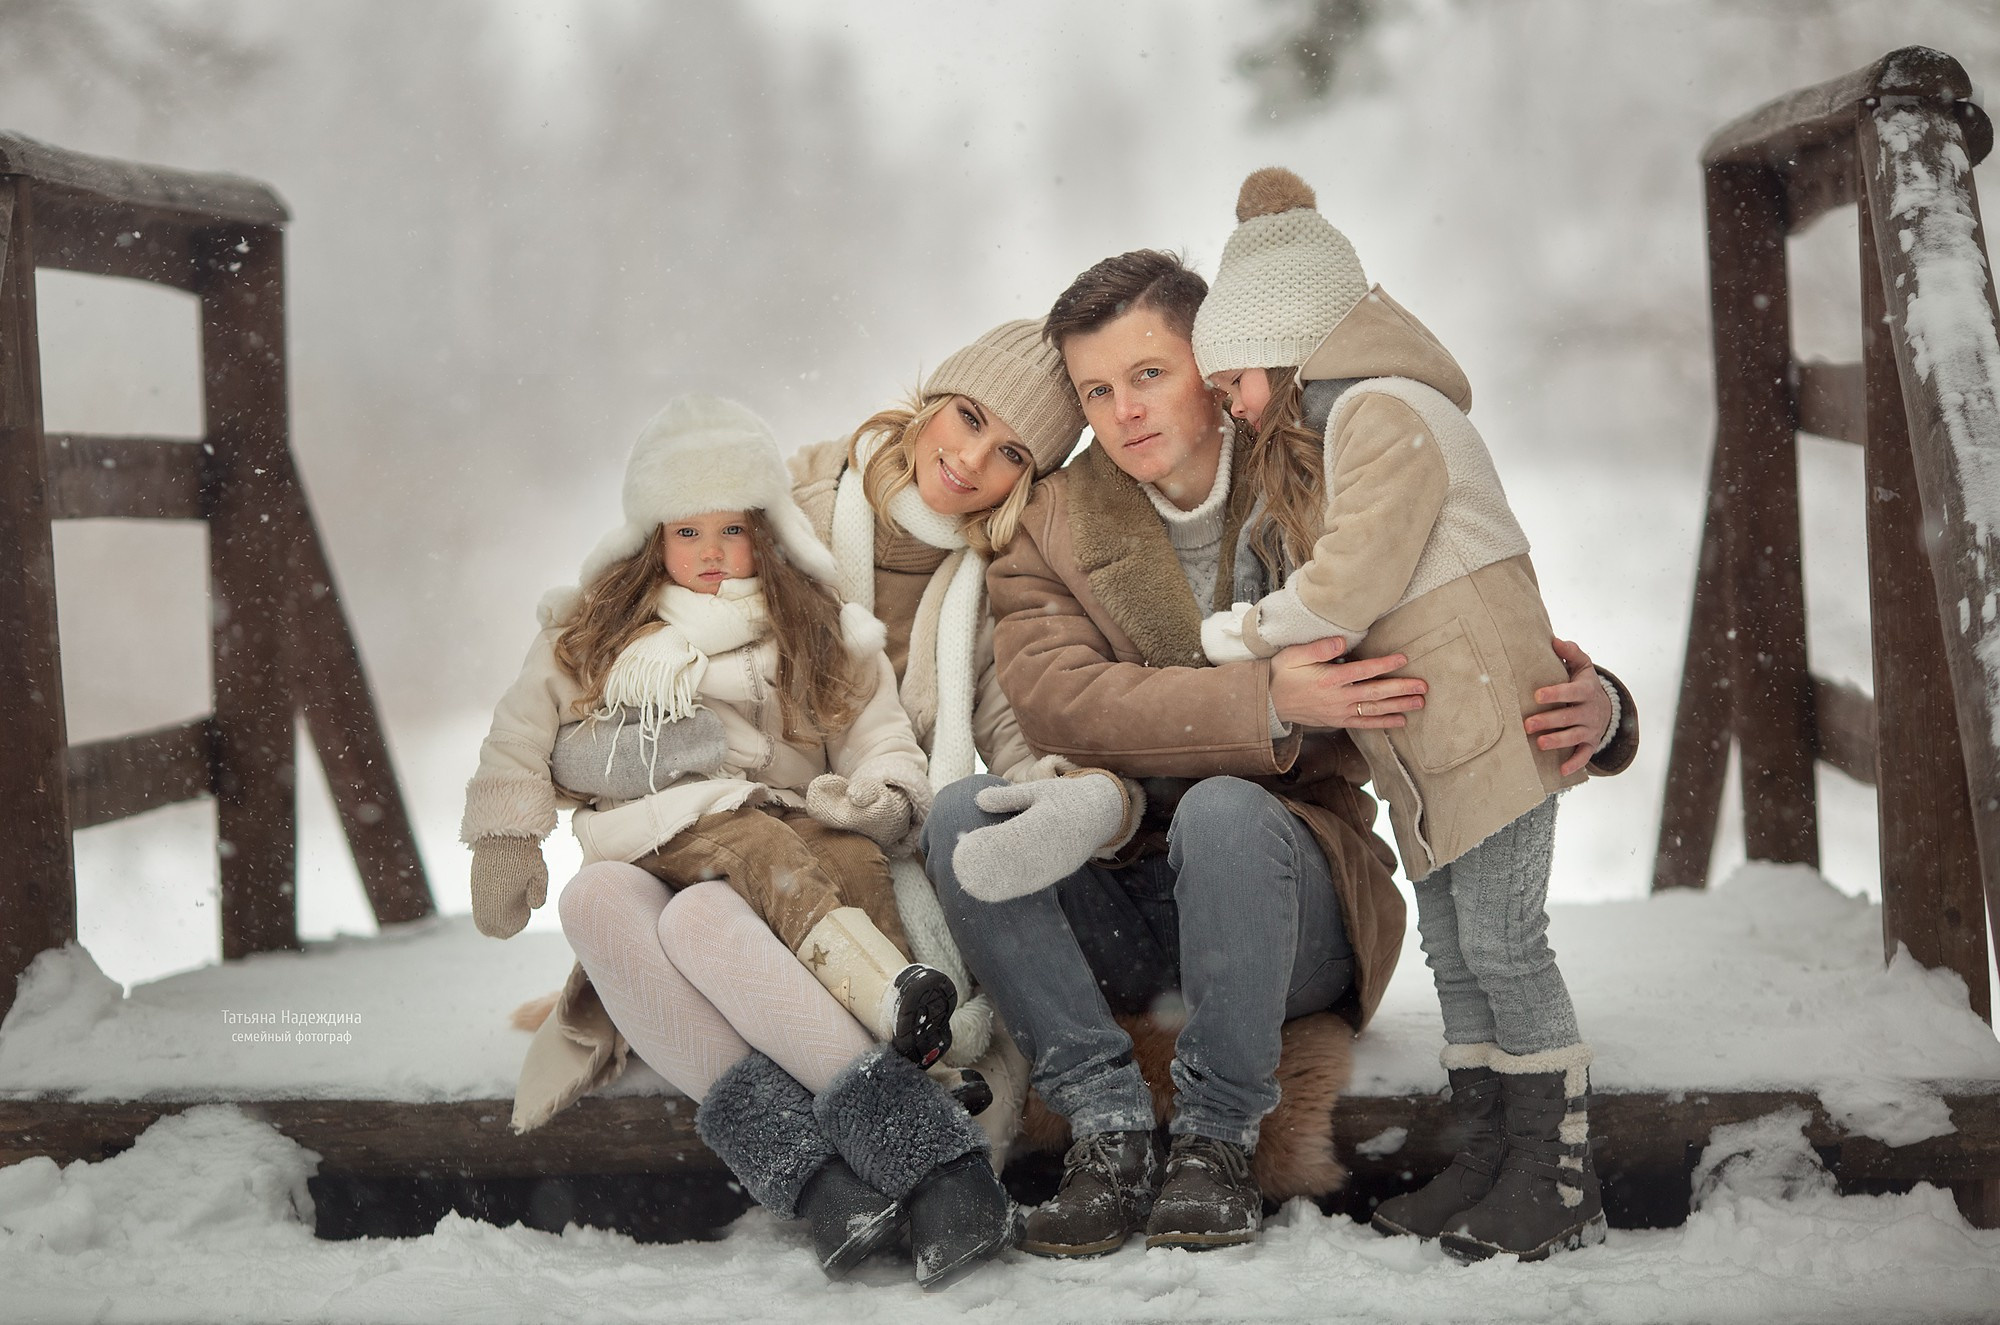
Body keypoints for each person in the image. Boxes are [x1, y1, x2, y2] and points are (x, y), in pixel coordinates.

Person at [923, 248, 1637, 1258]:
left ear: (1211, 361)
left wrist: (1598, 703)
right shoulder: (1053, 521)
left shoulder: (1314, 462)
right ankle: (1106, 1129)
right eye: (1096, 389)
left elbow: (1461, 602)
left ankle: (1215, 1141)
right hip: (1126, 892)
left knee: (1222, 807)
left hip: (1290, 892)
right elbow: (1058, 700)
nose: (1123, 410)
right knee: (962, 821)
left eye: (1147, 372)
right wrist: (1260, 696)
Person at [463, 395, 1011, 1287]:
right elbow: (522, 728)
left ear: (769, 530)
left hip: (787, 864)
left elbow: (877, 733)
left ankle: (937, 1167)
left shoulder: (812, 625)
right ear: (652, 538)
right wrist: (504, 837)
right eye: (687, 531)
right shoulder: (603, 631)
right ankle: (823, 1183)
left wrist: (880, 796)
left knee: (705, 921)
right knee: (591, 897)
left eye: (733, 529)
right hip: (653, 854)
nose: (712, 553)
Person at [1191, 166, 1632, 1262]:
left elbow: (1345, 584)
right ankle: (1489, 1157)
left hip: (1487, 730)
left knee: (1501, 941)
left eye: (1234, 377)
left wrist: (1235, 638)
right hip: (1433, 747)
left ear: (1285, 348)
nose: (1229, 405)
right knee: (1454, 948)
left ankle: (1555, 1178)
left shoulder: (1385, 412)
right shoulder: (1333, 434)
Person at [564, 320, 1111, 1165]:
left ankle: (895, 1157)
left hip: (888, 827)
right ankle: (835, 1155)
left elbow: (1008, 723)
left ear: (1025, 483)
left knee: (913, 956)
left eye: (1010, 454)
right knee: (670, 903)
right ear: (929, 403)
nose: (971, 459)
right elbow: (642, 640)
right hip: (734, 814)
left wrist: (1068, 786)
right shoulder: (790, 516)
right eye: (968, 417)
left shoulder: (1002, 581)